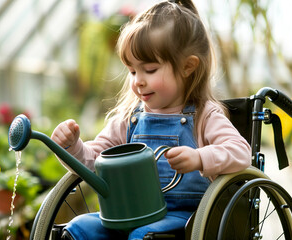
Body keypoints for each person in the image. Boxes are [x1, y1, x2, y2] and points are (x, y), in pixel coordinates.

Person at [51, 0, 251, 239]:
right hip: (129, 214)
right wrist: (72, 147)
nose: (138, 81)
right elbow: (96, 163)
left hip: (186, 216)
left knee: (144, 235)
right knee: (78, 229)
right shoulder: (128, 118)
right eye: (133, 70)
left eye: (150, 70)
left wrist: (200, 158)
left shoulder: (204, 115)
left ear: (188, 66)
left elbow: (241, 152)